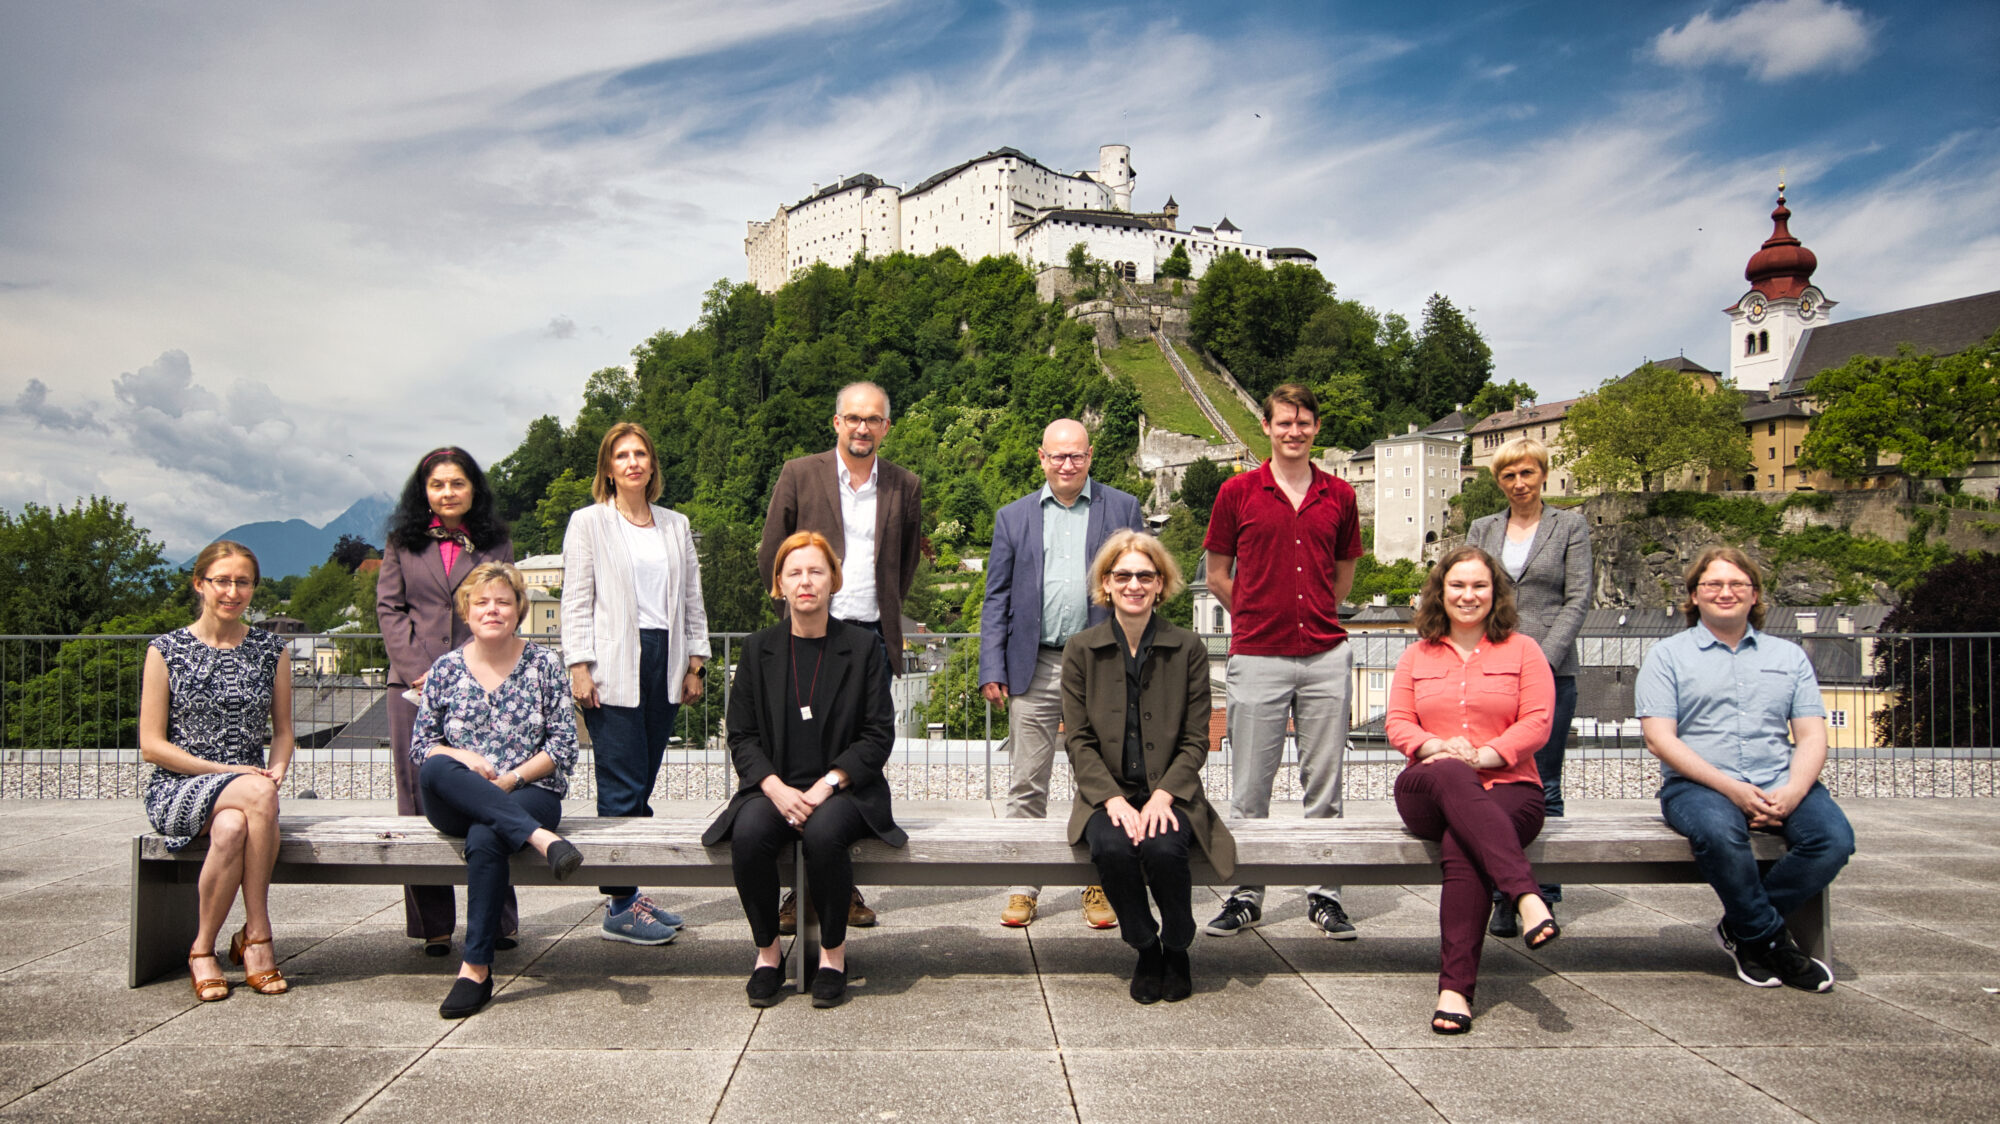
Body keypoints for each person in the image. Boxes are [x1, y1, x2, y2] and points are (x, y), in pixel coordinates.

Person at [1637, 546, 1853, 993]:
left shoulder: (1789, 656)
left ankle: (1744, 929)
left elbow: (1812, 736)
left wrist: (1794, 791)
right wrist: (1732, 790)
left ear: (1755, 595)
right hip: (1699, 785)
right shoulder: (1667, 656)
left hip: (1780, 778)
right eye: (1712, 584)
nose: (1725, 592)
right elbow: (1660, 738)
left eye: (1737, 584)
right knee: (1720, 835)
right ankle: (1772, 941)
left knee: (1833, 840)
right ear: (1694, 596)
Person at [705, 532, 905, 1009]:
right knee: (750, 832)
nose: (806, 582)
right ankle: (768, 955)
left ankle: (833, 956)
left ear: (833, 580)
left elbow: (878, 734)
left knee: (824, 834)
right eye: (794, 573)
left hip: (845, 791)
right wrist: (773, 788)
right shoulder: (757, 650)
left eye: (816, 571)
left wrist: (827, 785)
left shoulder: (862, 647)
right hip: (773, 788)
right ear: (780, 585)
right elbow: (743, 736)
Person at [1201, 383, 1364, 939]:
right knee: (1251, 783)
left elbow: (1343, 574)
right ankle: (1247, 894)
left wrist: (1318, 609)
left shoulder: (1340, 495)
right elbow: (1217, 573)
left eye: (1304, 422)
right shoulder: (1237, 492)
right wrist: (1250, 613)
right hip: (1258, 652)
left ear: (1316, 428)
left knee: (1326, 781)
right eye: (1284, 422)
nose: (1294, 431)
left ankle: (1325, 894)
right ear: (1265, 428)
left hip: (1324, 654)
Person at [757, 380, 921, 930]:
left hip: (869, 639)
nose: (862, 428)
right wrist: (796, 612)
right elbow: (770, 554)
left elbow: (902, 566)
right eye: (853, 418)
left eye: (873, 419)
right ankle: (795, 892)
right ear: (836, 423)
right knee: (799, 765)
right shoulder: (799, 474)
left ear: (886, 428)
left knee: (854, 766)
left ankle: (842, 890)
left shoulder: (905, 485)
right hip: (808, 636)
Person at [1386, 546, 1560, 1034]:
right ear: (1441, 593)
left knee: (1463, 846)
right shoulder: (1417, 655)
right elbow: (1398, 723)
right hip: (1429, 784)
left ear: (1495, 593)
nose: (1468, 595)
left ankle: (1455, 989)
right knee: (1451, 775)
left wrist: (1485, 756)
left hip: (1510, 786)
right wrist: (1439, 747)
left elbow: (1538, 722)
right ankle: (1525, 895)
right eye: (1457, 585)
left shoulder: (1524, 651)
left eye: (1479, 585)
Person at [980, 418, 1146, 929]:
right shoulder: (1013, 517)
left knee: (1097, 781)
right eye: (1058, 456)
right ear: (1041, 458)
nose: (1067, 464)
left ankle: (1098, 885)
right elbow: (997, 598)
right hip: (1033, 664)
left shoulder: (1121, 508)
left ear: (1090, 456)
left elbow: (1141, 583)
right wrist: (992, 666)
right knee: (1027, 781)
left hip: (1101, 665)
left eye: (1076, 455)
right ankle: (1023, 887)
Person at [1062, 530, 1236, 1004]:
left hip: (1170, 791)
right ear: (1107, 584)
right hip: (1107, 794)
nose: (1134, 585)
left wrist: (1164, 795)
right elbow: (1078, 740)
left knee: (1162, 848)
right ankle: (1144, 945)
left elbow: (1196, 739)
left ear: (1161, 584)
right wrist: (1113, 799)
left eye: (1145, 575)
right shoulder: (1081, 649)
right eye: (1123, 576)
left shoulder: (1189, 647)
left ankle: (1177, 943)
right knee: (1114, 847)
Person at [411, 562, 585, 1018]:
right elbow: (421, 746)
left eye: (503, 602)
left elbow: (564, 746)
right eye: (482, 602)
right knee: (435, 769)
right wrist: (464, 759)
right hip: (454, 796)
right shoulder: (445, 669)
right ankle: (542, 840)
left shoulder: (545, 664)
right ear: (466, 611)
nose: (493, 610)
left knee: (487, 836)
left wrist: (510, 780)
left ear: (519, 611)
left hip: (530, 788)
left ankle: (475, 968)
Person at [561, 421, 711, 946]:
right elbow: (576, 599)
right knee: (621, 784)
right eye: (622, 455)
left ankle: (629, 891)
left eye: (640, 454)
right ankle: (621, 903)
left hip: (664, 657)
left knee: (643, 780)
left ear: (652, 465)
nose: (632, 463)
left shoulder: (674, 524)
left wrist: (696, 663)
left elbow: (692, 595)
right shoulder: (589, 523)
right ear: (608, 467)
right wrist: (579, 665)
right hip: (612, 663)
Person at [139, 540, 295, 1001]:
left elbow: (284, 731)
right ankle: (259, 935)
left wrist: (277, 767)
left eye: (242, 582)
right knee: (256, 796)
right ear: (199, 584)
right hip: (178, 787)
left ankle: (202, 948)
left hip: (245, 793)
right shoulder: (166, 650)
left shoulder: (272, 650)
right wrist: (231, 772)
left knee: (230, 828)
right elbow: (151, 746)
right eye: (221, 580)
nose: (232, 591)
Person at [377, 445, 517, 957]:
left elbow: (504, 604)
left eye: (457, 483)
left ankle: (499, 921)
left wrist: (466, 669)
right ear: (425, 491)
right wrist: (420, 673)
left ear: (472, 488)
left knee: (488, 791)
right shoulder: (401, 542)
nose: (448, 492)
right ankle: (431, 924)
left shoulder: (494, 542)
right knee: (416, 798)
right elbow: (390, 608)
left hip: (480, 680)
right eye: (437, 485)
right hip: (411, 687)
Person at [1466, 436, 1593, 937]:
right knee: (1494, 779)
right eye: (1508, 476)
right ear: (1498, 481)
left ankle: (1545, 892)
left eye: (1526, 473)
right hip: (1493, 668)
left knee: (1546, 779)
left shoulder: (1570, 525)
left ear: (1543, 473)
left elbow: (1579, 598)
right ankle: (1505, 891)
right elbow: (1472, 588)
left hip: (1551, 667)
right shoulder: (1483, 527)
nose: (1518, 483)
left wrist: (1542, 658)